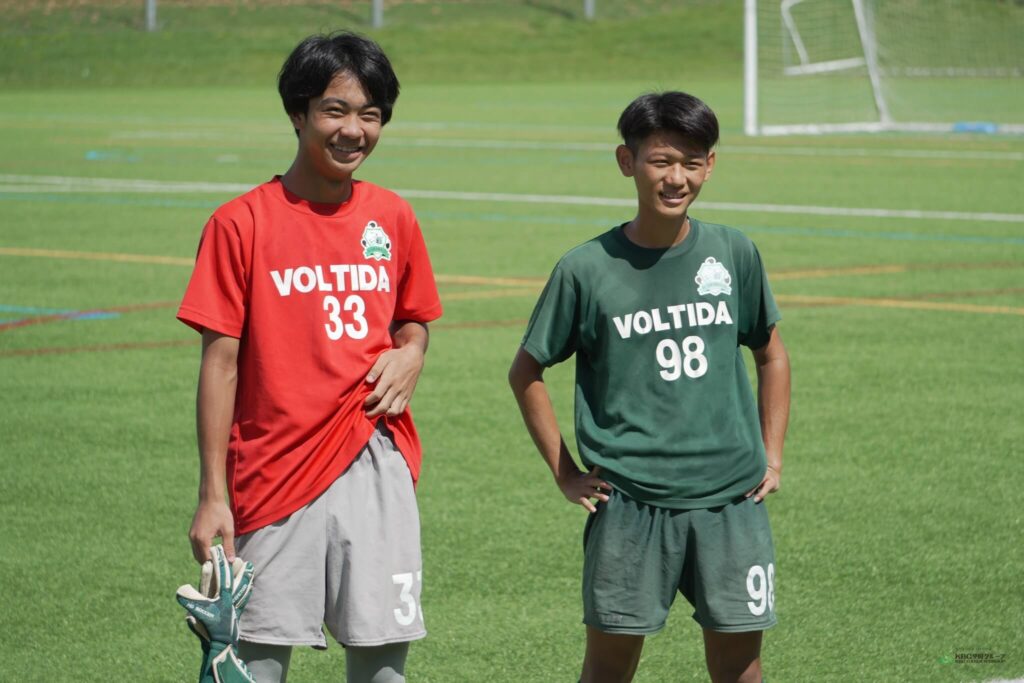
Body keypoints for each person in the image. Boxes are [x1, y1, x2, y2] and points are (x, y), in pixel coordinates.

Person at [177, 31, 442, 683]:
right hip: (271, 475)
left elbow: (413, 319)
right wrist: (213, 495)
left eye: (371, 114)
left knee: (383, 667)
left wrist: (413, 351)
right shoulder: (240, 223)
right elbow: (220, 365)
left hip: (373, 457)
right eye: (335, 110)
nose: (354, 130)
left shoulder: (393, 217)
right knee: (253, 666)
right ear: (298, 113)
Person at [508, 91, 790, 683]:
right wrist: (565, 472)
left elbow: (771, 354)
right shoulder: (585, 269)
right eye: (661, 161)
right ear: (627, 161)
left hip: (731, 501)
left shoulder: (734, 252)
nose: (676, 178)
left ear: (710, 165)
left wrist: (772, 455)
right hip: (630, 503)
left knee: (741, 668)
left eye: (692, 162)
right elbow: (526, 371)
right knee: (608, 670)